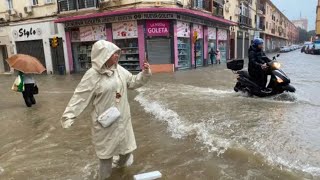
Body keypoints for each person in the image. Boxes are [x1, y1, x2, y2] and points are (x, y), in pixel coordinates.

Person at [60, 40, 151, 180]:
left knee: (126, 151)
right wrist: (69, 115)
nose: (117, 56)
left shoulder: (119, 70)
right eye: (113, 53)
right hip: (105, 123)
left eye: (117, 53)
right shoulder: (92, 75)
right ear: (103, 55)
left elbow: (132, 81)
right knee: (106, 156)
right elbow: (80, 96)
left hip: (122, 119)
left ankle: (120, 172)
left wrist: (144, 73)